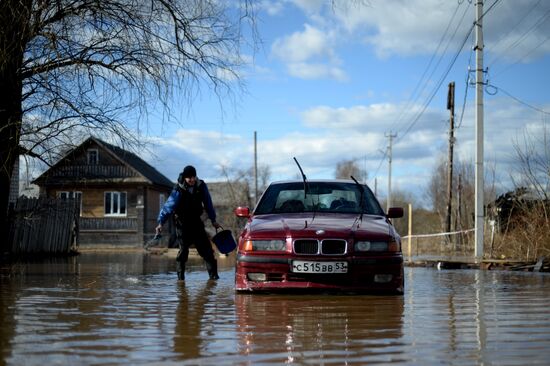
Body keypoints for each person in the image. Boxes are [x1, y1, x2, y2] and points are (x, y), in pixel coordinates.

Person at [156, 165, 221, 281]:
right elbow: (168, 207)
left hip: (196, 222)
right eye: (189, 178)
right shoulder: (178, 189)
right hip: (182, 223)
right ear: (185, 178)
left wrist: (213, 220)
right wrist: (161, 222)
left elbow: (208, 203)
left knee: (207, 250)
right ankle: (181, 280)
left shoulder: (201, 186)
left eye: (193, 177)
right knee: (183, 251)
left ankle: (214, 277)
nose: (191, 180)